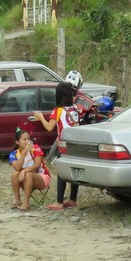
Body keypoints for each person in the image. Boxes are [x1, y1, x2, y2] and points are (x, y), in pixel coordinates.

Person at [32, 81, 79, 210]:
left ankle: (59, 202)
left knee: (61, 172)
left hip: (64, 145)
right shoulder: (75, 108)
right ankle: (73, 199)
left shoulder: (57, 110)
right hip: (76, 144)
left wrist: (41, 117)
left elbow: (49, 127)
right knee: (75, 171)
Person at [8, 128, 50, 211]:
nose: (27, 141)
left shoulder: (35, 148)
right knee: (14, 174)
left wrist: (24, 170)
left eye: (28, 139)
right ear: (17, 142)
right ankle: (17, 199)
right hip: (24, 179)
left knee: (28, 174)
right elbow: (17, 168)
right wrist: (24, 153)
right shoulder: (14, 154)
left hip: (41, 177)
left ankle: (26, 203)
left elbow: (37, 165)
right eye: (24, 139)